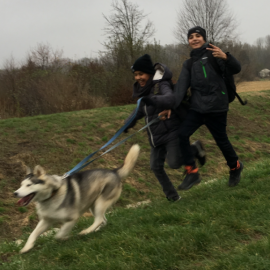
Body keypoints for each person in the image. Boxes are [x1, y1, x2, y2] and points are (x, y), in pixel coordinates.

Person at [161, 26, 243, 191]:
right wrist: (169, 106)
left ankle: (235, 167)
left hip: (217, 108)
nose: (194, 39)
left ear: (204, 39)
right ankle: (192, 172)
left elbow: (236, 69)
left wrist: (226, 57)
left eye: (198, 36)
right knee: (182, 134)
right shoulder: (189, 64)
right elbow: (180, 89)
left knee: (222, 141)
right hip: (198, 108)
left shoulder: (215, 55)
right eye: (191, 37)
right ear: (188, 41)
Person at [124, 54, 206, 202]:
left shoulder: (160, 84)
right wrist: (126, 125)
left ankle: (194, 149)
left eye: (141, 74)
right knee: (155, 166)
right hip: (156, 136)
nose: (138, 78)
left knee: (174, 163)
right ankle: (172, 196)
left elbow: (170, 98)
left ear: (149, 73)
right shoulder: (143, 91)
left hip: (171, 131)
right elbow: (139, 111)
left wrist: (152, 99)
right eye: (135, 75)